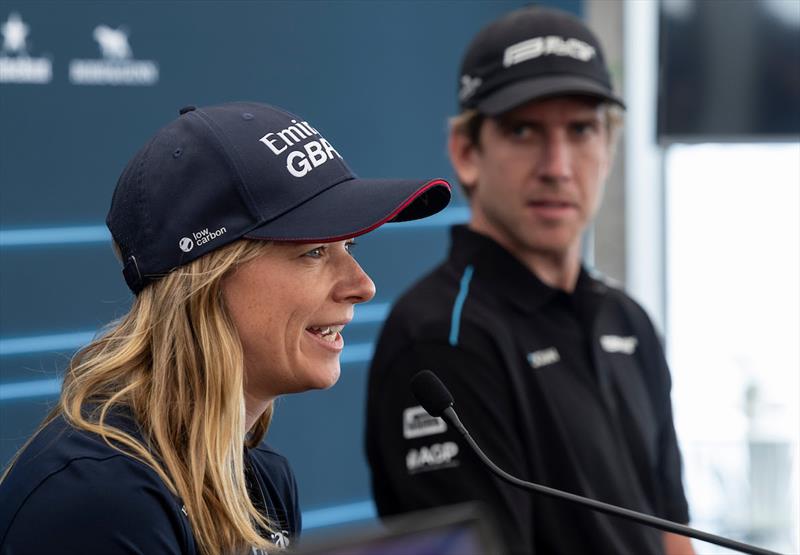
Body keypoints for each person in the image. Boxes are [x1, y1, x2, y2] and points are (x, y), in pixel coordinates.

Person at [0, 101, 450, 554]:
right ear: (206, 279)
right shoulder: (98, 499)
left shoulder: (262, 476)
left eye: (349, 245)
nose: (363, 285)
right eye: (314, 251)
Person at [365, 6, 694, 555]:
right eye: (524, 130)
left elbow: (673, 533)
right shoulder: (441, 337)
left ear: (609, 150)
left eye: (582, 130)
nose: (558, 165)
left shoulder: (628, 320)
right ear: (467, 153)